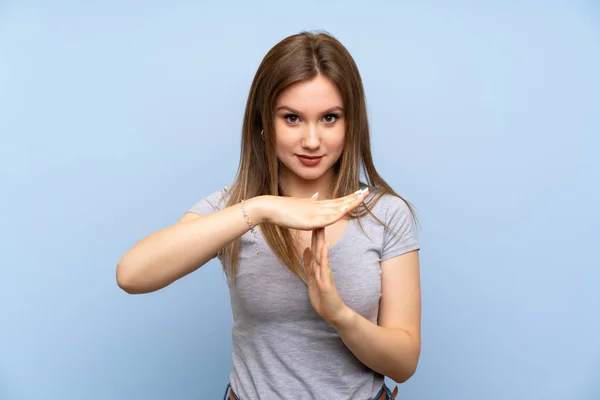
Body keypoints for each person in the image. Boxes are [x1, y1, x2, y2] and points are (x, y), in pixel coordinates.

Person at [116, 31, 421, 400]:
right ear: (264, 122)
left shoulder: (386, 213)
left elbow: (403, 362)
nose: (312, 140)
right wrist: (262, 207)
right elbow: (132, 274)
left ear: (350, 122)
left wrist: (339, 315)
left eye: (329, 118)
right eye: (292, 118)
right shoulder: (236, 209)